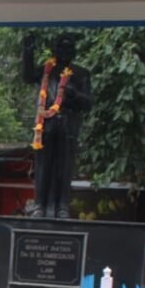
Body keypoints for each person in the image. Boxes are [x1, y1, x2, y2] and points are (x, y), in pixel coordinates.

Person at [22, 33, 93, 219]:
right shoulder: (46, 71)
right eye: (61, 47)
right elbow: (28, 77)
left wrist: (75, 94)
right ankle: (39, 205)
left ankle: (62, 206)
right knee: (42, 166)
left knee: (65, 168)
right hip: (45, 126)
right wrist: (28, 52)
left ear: (74, 51)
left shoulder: (81, 74)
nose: (64, 51)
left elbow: (88, 103)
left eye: (69, 48)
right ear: (55, 50)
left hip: (68, 126)